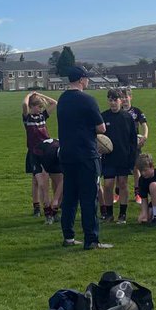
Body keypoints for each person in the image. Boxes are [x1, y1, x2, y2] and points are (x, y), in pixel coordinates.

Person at [57, 67, 112, 250]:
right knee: (89, 198)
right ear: (81, 79)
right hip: (86, 155)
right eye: (87, 79)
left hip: (66, 154)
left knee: (70, 197)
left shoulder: (62, 99)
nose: (88, 82)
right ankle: (91, 240)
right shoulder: (88, 99)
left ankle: (69, 236)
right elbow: (101, 128)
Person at [100, 89, 137, 223]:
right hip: (109, 157)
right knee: (108, 184)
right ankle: (109, 214)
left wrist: (132, 158)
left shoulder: (128, 118)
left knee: (122, 183)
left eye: (115, 100)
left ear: (121, 100)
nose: (113, 103)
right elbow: (97, 137)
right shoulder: (103, 116)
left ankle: (122, 213)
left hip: (123, 156)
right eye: (110, 100)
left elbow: (133, 140)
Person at [22, 91, 58, 217]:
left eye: (41, 107)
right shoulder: (27, 118)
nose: (40, 109)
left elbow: (54, 103)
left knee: (43, 180)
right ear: (32, 106)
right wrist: (29, 95)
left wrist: (41, 95)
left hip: (46, 151)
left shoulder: (42, 116)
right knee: (37, 181)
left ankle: (44, 206)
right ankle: (36, 206)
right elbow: (24, 105)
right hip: (34, 152)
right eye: (38, 106)